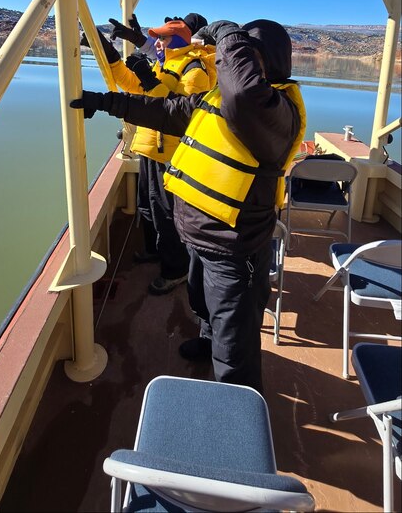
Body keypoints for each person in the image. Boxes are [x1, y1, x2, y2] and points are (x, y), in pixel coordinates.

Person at [71, 19, 306, 392]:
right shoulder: (219, 100)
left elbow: (244, 93)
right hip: (200, 237)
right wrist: (107, 103)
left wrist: (229, 33)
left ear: (266, 62)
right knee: (203, 305)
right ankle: (206, 340)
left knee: (235, 351)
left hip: (235, 248)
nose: (229, 64)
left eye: (243, 55)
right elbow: (167, 112)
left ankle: (237, 422)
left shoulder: (274, 111)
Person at [92, 15, 214, 296]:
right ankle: (153, 250)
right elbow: (133, 86)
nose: (157, 42)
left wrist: (148, 80)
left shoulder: (194, 71)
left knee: (166, 215)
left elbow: (178, 114)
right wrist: (109, 55)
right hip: (149, 146)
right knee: (147, 206)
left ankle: (176, 269)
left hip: (171, 153)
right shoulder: (164, 63)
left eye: (162, 38)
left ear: (180, 40)